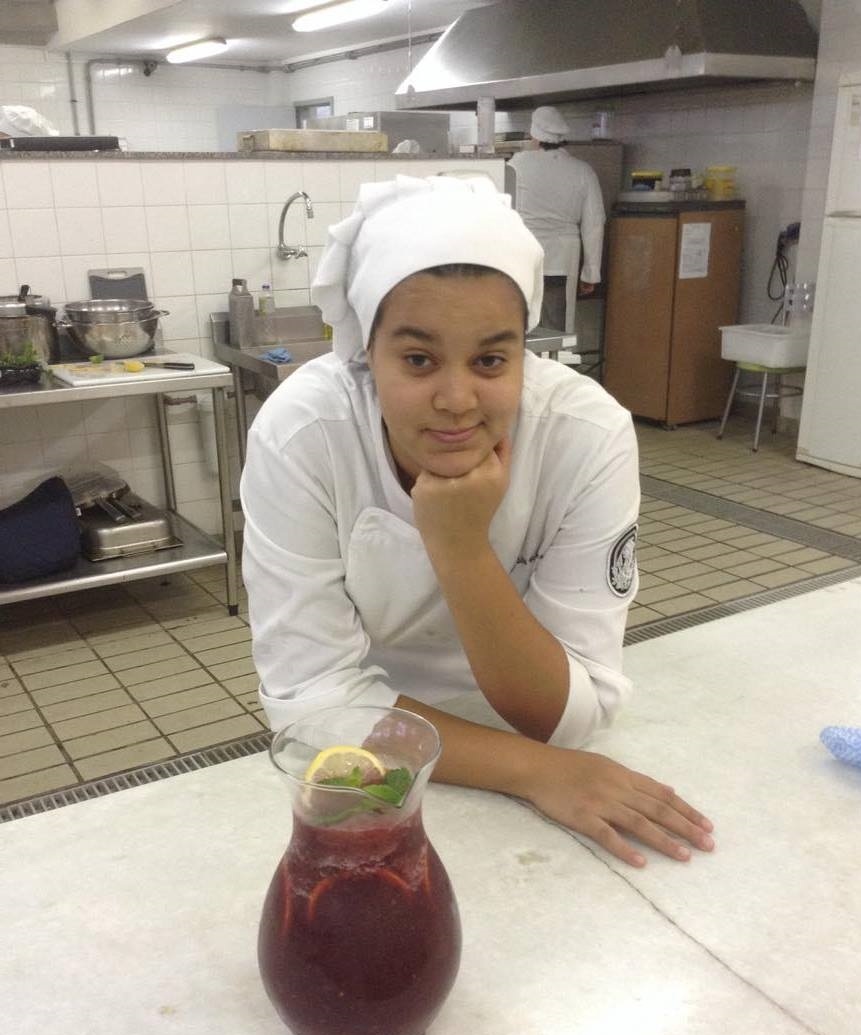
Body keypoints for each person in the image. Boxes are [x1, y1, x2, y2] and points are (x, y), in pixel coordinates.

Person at [241, 173, 714, 869]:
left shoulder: (584, 435)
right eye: (418, 359)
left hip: (537, 736)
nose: (457, 400)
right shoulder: (305, 433)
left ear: (525, 351)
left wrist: (460, 548)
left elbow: (571, 715)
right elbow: (312, 704)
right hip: (374, 754)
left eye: (491, 359)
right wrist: (534, 772)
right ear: (365, 353)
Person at [509, 105, 606, 333]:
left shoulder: (515, 166)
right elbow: (594, 223)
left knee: (521, 322)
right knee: (557, 326)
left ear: (534, 136)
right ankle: (556, 356)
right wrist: (591, 272)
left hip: (523, 255)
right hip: (563, 259)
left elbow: (504, 215)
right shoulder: (583, 170)